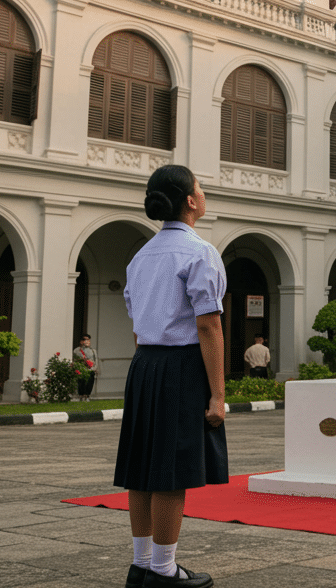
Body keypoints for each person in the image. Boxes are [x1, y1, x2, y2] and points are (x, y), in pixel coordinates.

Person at [114, 165, 227, 588]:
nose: (203, 191)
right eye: (200, 186)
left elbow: (135, 318)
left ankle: (142, 564)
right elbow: (208, 326)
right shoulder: (200, 253)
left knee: (142, 468)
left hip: (144, 364)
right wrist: (217, 394)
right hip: (180, 366)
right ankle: (163, 570)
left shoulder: (141, 256)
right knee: (171, 472)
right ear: (191, 201)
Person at [73, 333, 99, 401]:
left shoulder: (93, 351)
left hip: (90, 370)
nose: (86, 341)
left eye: (88, 340)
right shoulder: (76, 350)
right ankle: (81, 395)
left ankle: (87, 395)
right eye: (84, 340)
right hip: (81, 369)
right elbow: (74, 360)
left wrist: (94, 368)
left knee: (90, 382)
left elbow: (96, 360)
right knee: (81, 382)